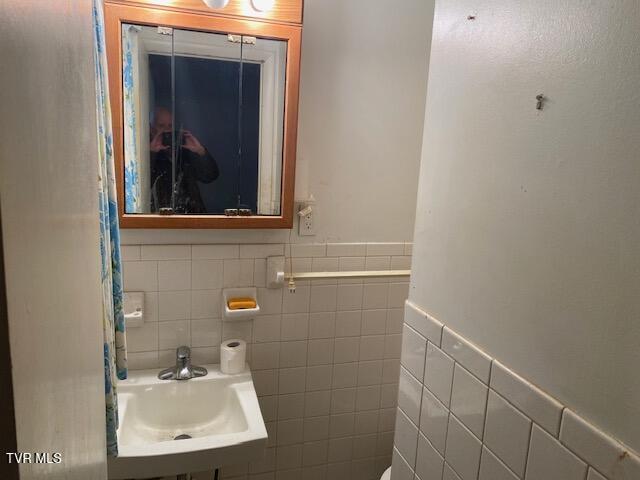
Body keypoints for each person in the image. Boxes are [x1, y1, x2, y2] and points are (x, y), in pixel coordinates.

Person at [149, 106, 219, 213]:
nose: (166, 130)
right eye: (161, 126)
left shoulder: (185, 152)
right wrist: (151, 154)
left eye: (170, 125)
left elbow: (210, 176)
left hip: (192, 217)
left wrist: (200, 151)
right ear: (151, 129)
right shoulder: (148, 156)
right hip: (162, 219)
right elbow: (144, 184)